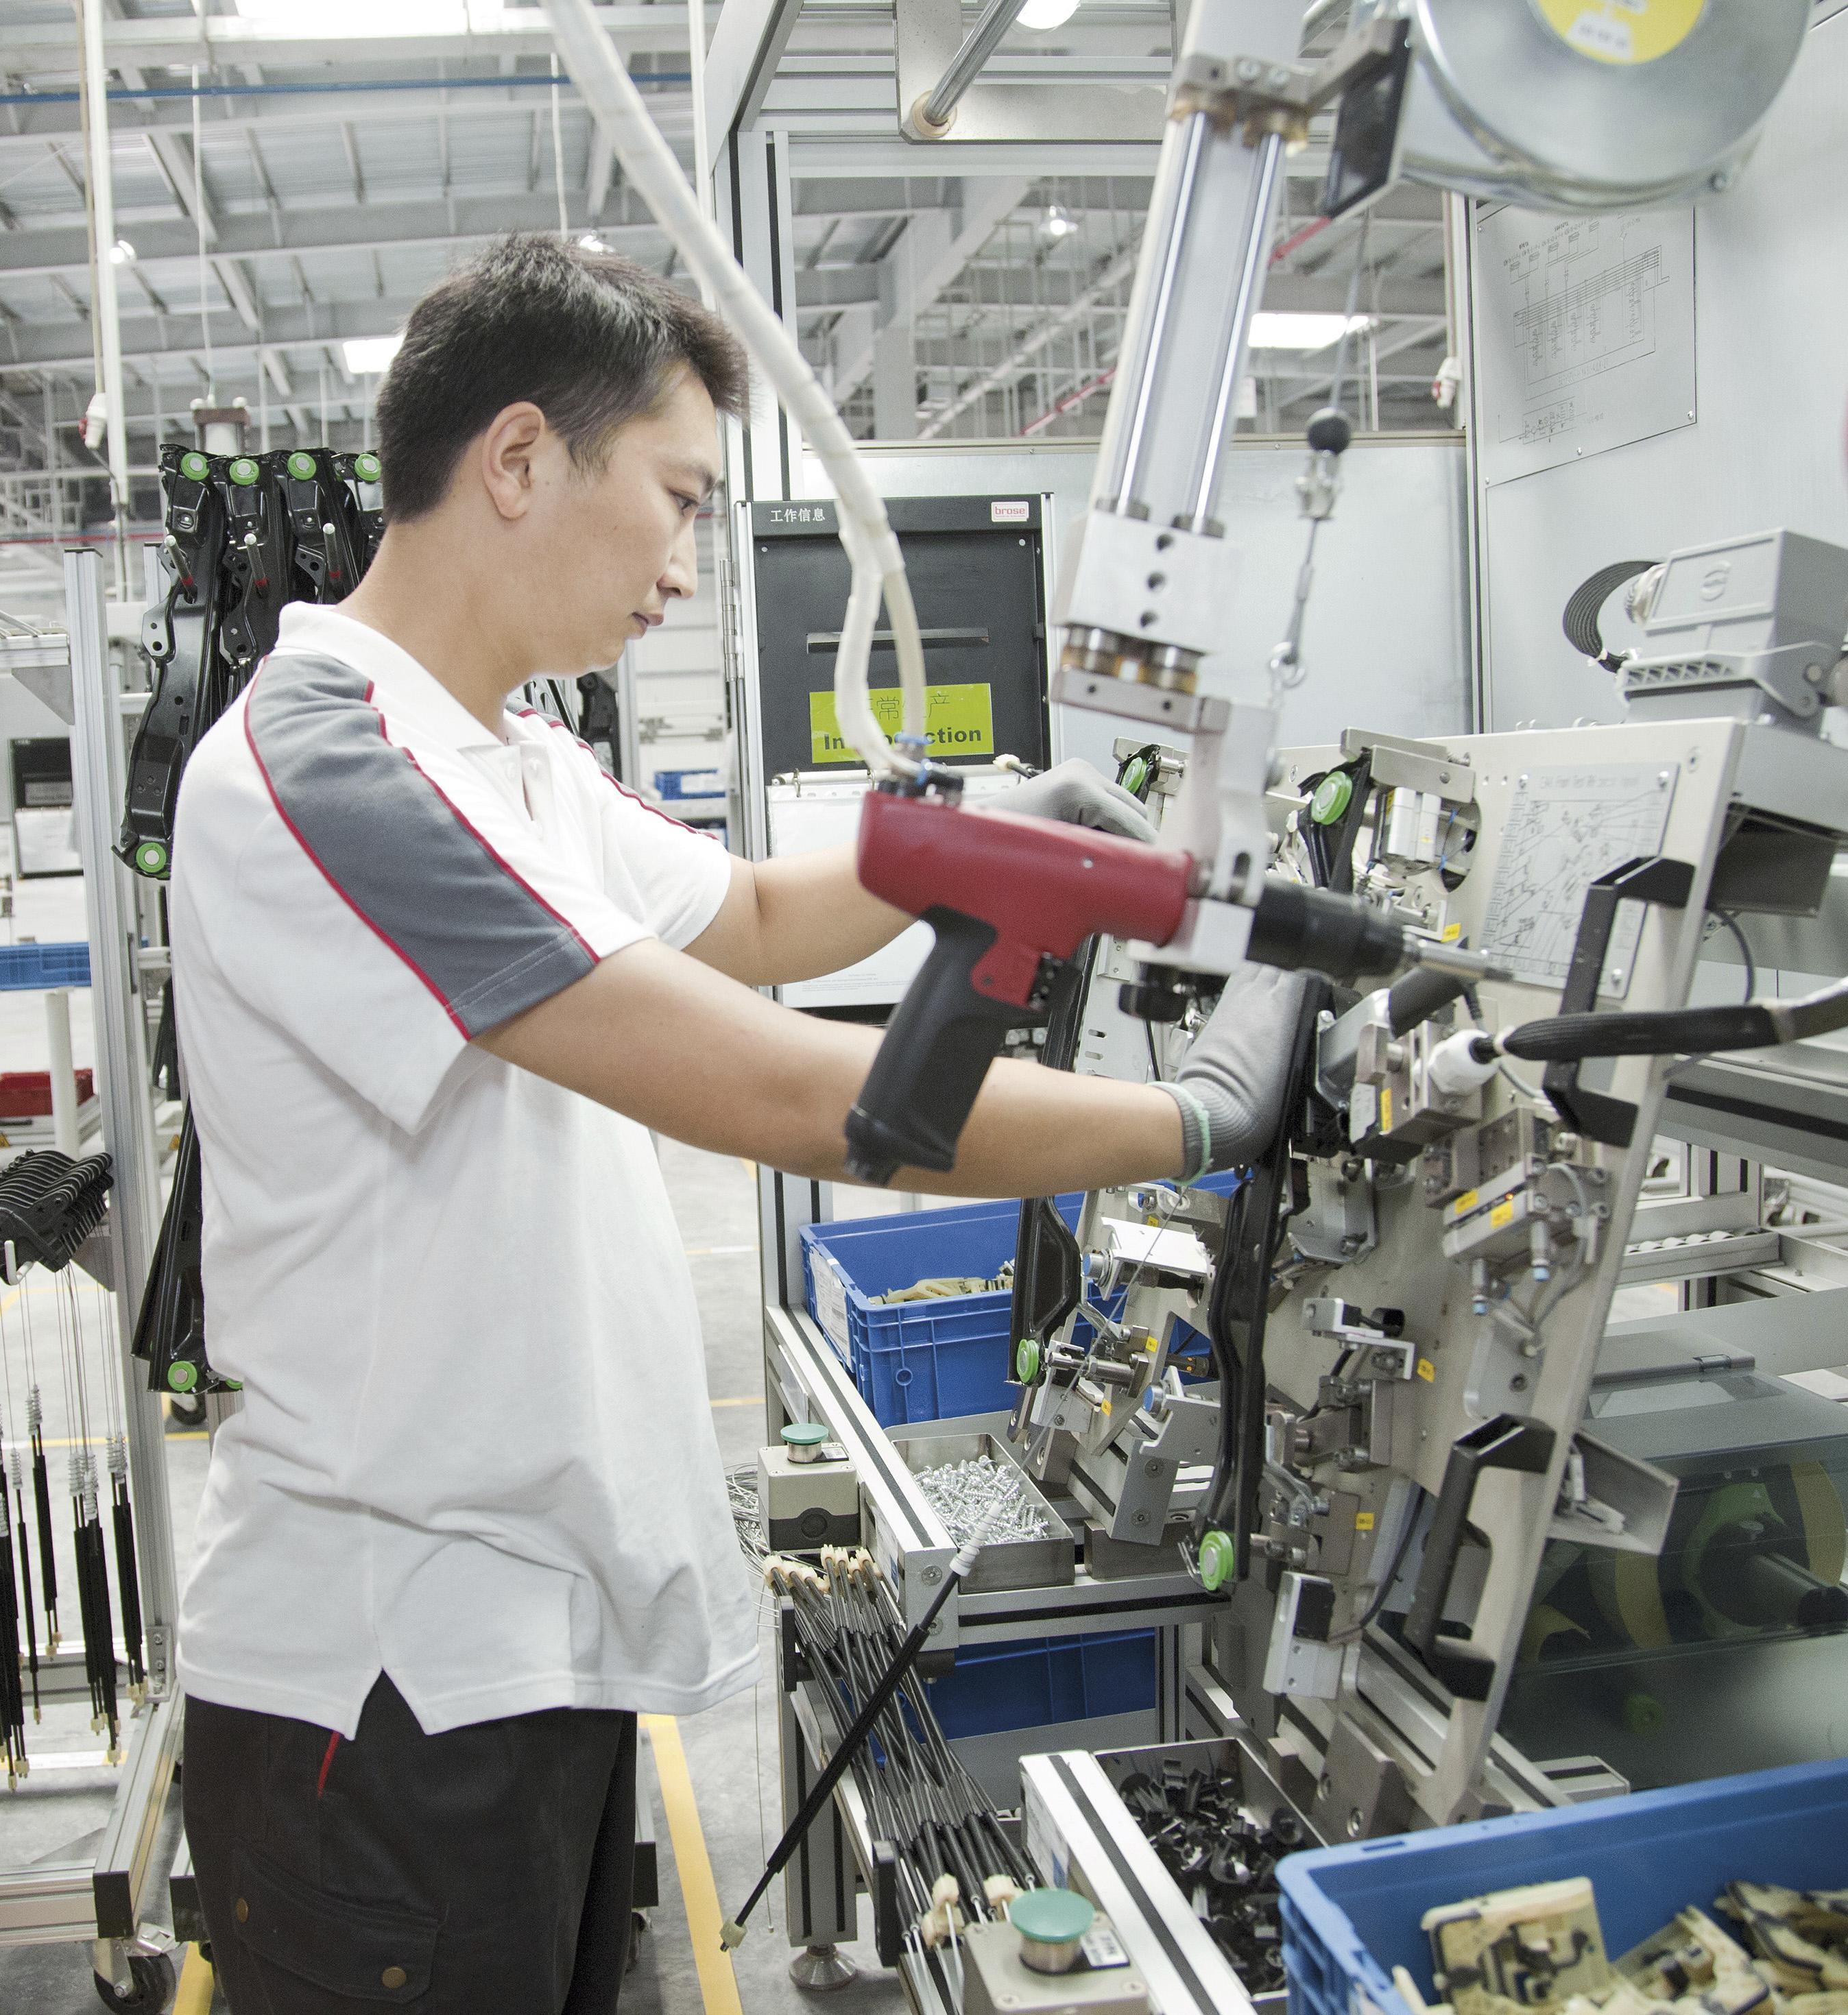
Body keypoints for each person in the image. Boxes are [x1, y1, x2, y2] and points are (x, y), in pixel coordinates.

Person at [170, 235, 1304, 2015]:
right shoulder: (328, 765)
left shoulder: (511, 754)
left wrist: (981, 832)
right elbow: (808, 1093)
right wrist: (1194, 1116)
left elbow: (761, 915)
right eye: (680, 499)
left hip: (519, 1654)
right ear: (522, 459)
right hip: (385, 1693)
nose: (690, 566)